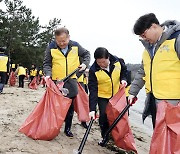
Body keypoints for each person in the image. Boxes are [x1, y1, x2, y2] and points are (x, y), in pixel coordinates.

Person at [128, 13, 180, 153]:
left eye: (144, 35)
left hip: (174, 104)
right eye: (141, 37)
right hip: (154, 100)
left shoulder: (176, 39)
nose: (143, 39)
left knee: (175, 142)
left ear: (154, 26)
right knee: (160, 138)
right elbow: (142, 72)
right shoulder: (147, 50)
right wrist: (132, 92)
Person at [43, 27, 90, 137]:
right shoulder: (51, 47)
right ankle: (53, 126)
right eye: (58, 41)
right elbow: (47, 64)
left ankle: (67, 128)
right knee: (55, 106)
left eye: (64, 41)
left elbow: (86, 54)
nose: (61, 43)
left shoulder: (76, 46)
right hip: (57, 81)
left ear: (69, 37)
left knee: (70, 106)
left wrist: (85, 64)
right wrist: (48, 75)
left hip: (71, 81)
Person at [88, 47, 127, 139]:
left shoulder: (118, 61)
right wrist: (92, 109)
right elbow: (92, 90)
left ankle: (118, 136)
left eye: (103, 62)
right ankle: (105, 136)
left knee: (119, 116)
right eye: (99, 62)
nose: (102, 64)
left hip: (117, 95)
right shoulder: (93, 70)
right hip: (103, 96)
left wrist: (123, 79)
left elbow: (124, 71)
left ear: (108, 57)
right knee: (103, 116)